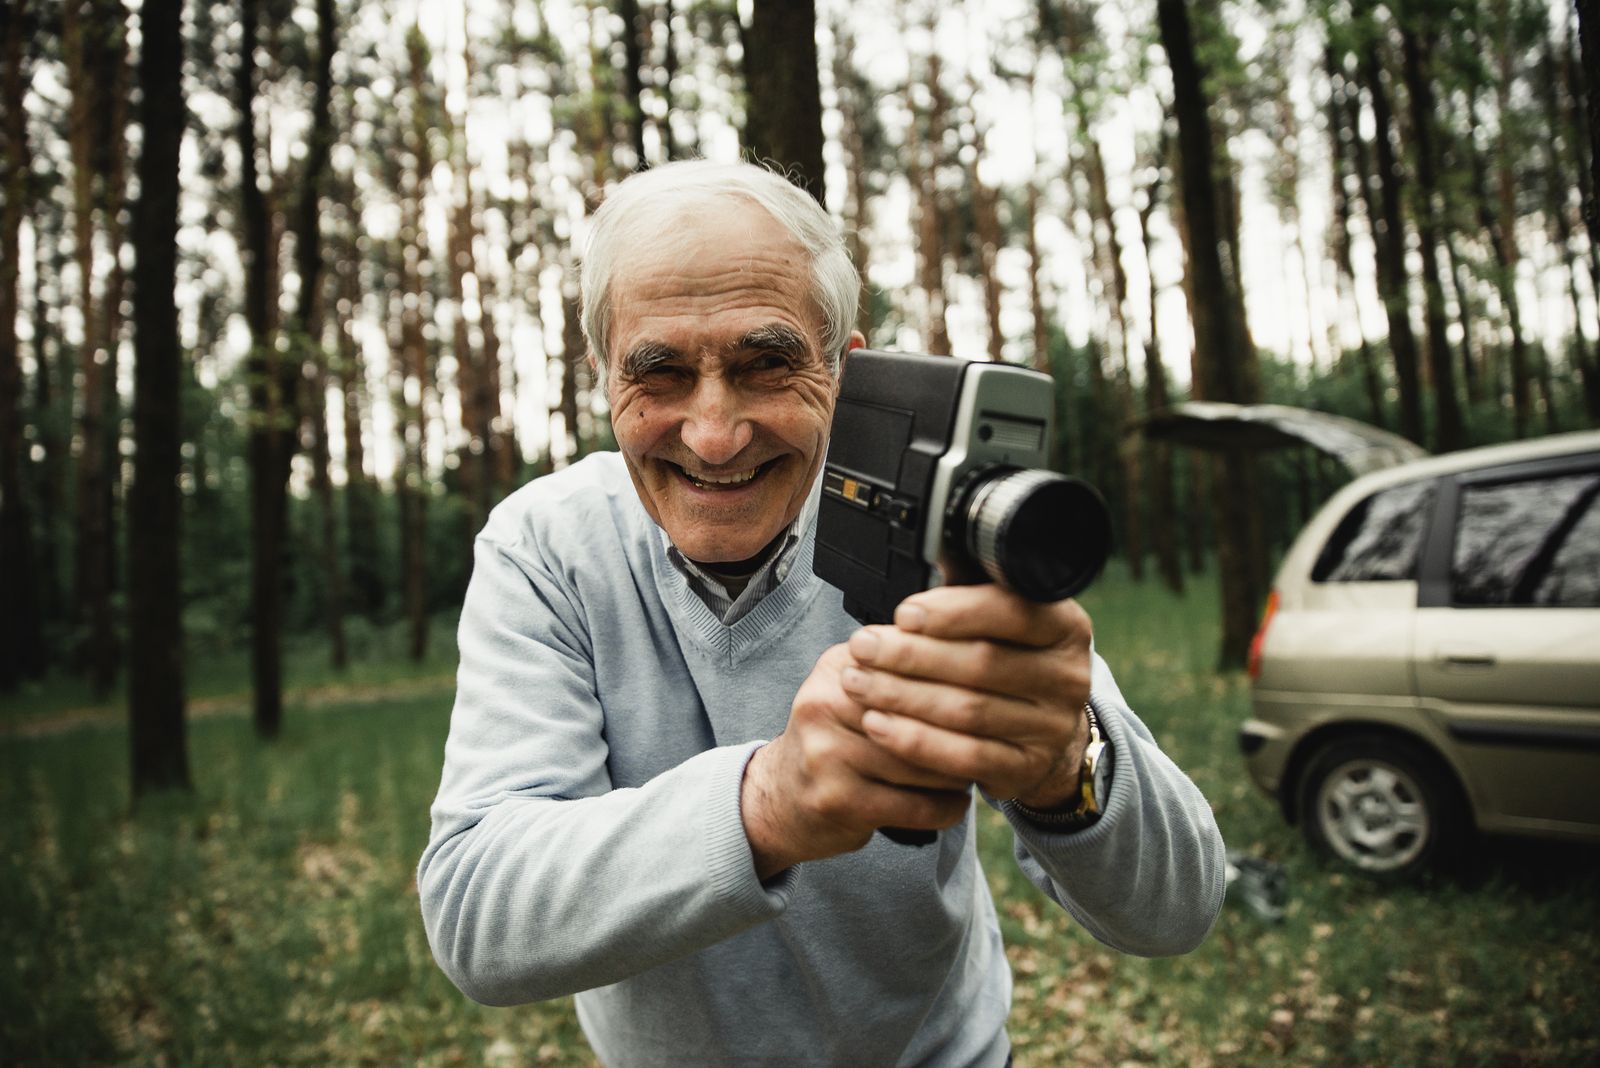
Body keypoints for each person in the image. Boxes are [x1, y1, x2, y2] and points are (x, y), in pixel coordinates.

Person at [418, 159, 1225, 1067]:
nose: (714, 433)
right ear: (605, 376)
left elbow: (1178, 909)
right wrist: (770, 803)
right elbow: (476, 912)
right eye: (662, 373)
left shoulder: (938, 539)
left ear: (845, 371)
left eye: (768, 365)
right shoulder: (548, 548)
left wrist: (1066, 767)